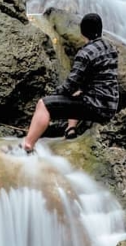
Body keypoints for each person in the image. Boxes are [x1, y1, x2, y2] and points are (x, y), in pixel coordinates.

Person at [21, 12, 119, 153]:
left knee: (44, 105)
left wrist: (52, 98)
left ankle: (27, 145)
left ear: (82, 31)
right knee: (78, 92)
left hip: (96, 108)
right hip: (111, 106)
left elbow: (70, 85)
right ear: (100, 29)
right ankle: (71, 128)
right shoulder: (111, 49)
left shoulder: (85, 53)